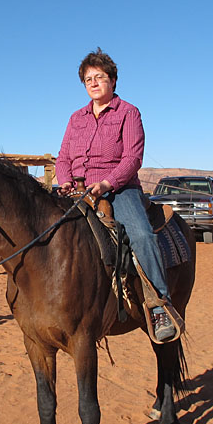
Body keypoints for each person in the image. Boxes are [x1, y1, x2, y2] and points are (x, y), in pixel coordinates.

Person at [55, 48, 176, 342]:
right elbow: (62, 157)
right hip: (79, 191)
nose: (94, 83)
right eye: (88, 79)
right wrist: (65, 180)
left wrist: (107, 184)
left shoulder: (128, 112)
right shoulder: (75, 118)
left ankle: (159, 304)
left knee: (142, 236)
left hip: (119, 190)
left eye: (99, 77)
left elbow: (133, 158)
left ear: (112, 80)